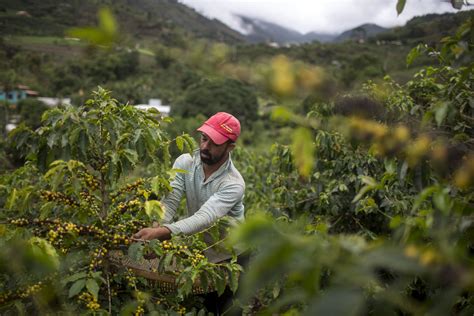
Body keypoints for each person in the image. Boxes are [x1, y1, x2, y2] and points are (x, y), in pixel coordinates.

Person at [134, 112, 245, 241]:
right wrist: (156, 228)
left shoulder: (233, 183)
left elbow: (205, 218)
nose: (205, 147)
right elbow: (170, 201)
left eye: (215, 144)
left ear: (230, 148)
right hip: (199, 247)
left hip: (231, 253)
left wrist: (162, 233)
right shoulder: (185, 163)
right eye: (204, 138)